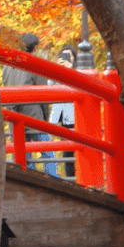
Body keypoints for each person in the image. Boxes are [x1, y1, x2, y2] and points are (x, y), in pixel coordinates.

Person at [3, 33, 54, 174]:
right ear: (35, 48)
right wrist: (46, 118)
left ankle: (29, 179)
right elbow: (43, 94)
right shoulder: (34, 64)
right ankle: (53, 177)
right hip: (33, 114)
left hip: (13, 113)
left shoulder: (8, 65)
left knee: (23, 153)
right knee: (47, 150)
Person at [48, 46, 77, 178]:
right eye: (63, 56)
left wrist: (70, 70)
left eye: (69, 56)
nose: (66, 59)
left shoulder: (79, 71)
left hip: (78, 114)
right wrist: (57, 71)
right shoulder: (55, 74)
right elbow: (49, 89)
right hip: (64, 116)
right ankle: (70, 179)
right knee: (67, 151)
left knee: (83, 150)